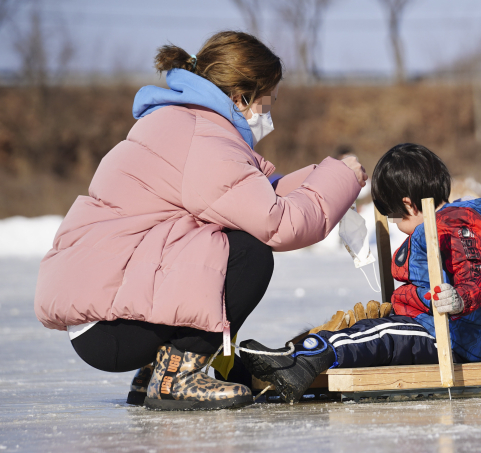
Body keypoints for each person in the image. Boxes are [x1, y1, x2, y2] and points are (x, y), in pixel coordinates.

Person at [33, 31, 368, 411]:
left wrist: (323, 178)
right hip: (113, 327)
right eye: (269, 99)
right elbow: (278, 223)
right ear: (241, 97)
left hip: (103, 312)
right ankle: (176, 375)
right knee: (249, 252)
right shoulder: (206, 141)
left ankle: (154, 370)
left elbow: (257, 196)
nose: (270, 111)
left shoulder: (182, 123)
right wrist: (339, 177)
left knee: (229, 237)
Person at [240, 143, 481, 403]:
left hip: (443, 337)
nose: (394, 224)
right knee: (368, 329)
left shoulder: (456, 225)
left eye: (394, 217)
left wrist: (458, 297)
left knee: (377, 334)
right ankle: (289, 357)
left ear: (408, 204)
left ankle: (303, 359)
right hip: (422, 326)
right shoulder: (446, 223)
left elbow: (477, 274)